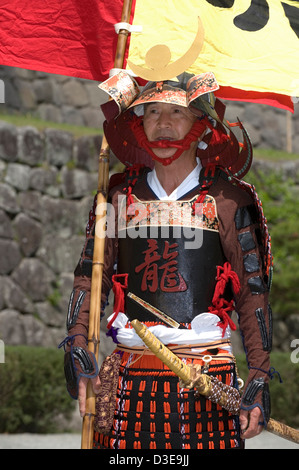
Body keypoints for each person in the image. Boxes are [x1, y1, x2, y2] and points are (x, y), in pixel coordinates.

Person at [60, 71, 273, 450]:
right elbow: (91, 278)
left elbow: (252, 293)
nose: (163, 124)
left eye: (177, 112)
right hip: (129, 375)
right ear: (138, 122)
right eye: (152, 111)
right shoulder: (118, 195)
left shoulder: (227, 199)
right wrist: (78, 340)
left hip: (206, 376)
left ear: (201, 122)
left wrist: (259, 374)